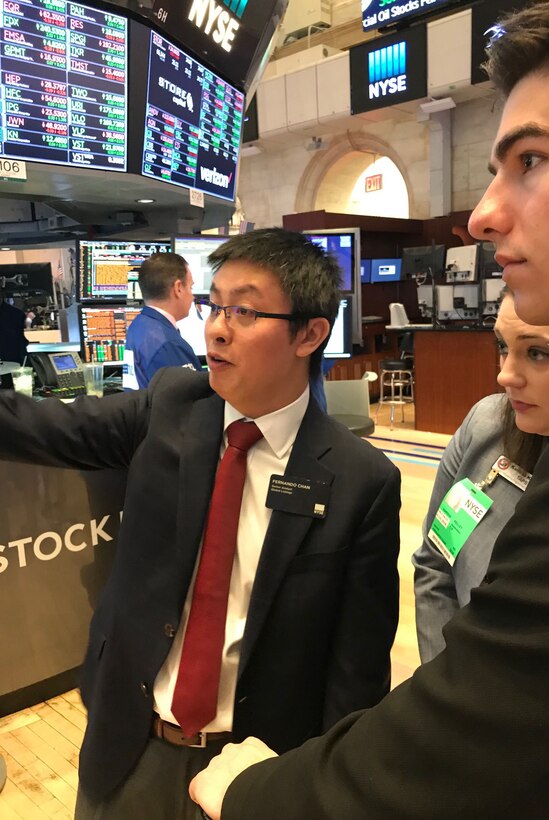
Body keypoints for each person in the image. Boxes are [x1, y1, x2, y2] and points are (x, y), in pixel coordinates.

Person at [189, 2, 549, 817]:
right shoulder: (483, 435)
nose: (485, 213)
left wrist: (250, 792)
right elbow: (435, 575)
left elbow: (454, 756)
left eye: (531, 158)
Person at [0, 228, 400, 818]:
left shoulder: (360, 480)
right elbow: (38, 426)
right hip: (130, 745)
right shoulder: (169, 407)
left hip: (253, 770)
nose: (215, 327)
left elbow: (357, 672)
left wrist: (319, 791)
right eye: (214, 304)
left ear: (310, 334)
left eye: (244, 310)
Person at [413, 289, 549, 662]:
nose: (505, 375)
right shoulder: (486, 425)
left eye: (537, 352)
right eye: (503, 347)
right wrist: (443, 684)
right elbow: (435, 564)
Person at [122, 252, 201, 389]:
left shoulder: (139, 325)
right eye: (190, 287)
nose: (193, 297)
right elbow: (193, 401)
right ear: (178, 289)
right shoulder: (168, 344)